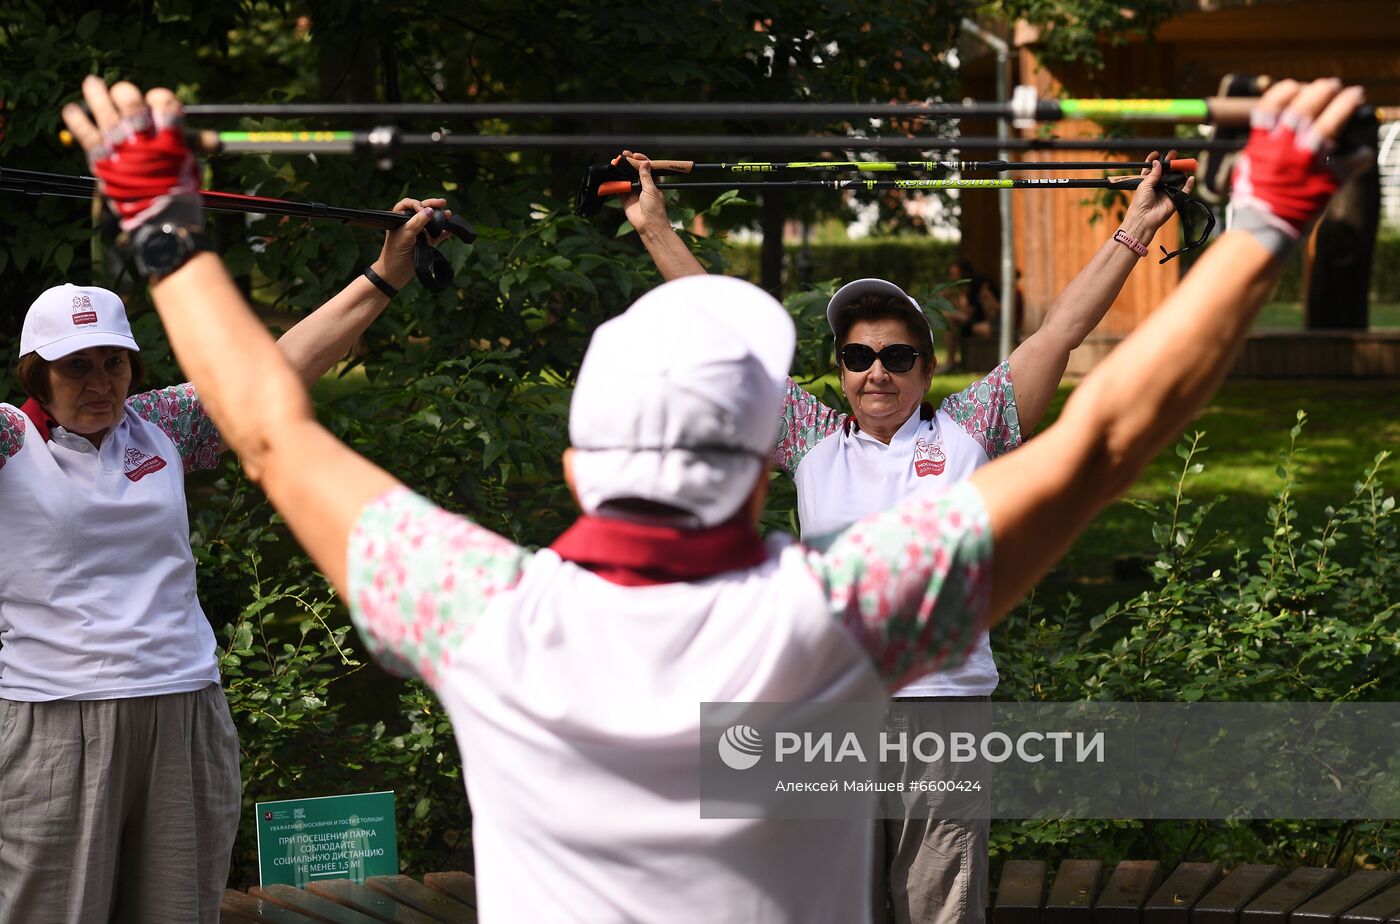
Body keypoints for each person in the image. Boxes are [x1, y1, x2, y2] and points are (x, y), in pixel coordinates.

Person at [61, 74, 1362, 923]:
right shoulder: (847, 612)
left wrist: (160, 228)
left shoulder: (473, 606)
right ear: (765, 464)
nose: (872, 373)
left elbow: (272, 432)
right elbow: (1112, 436)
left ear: (576, 469)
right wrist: (1267, 220)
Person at [621, 146, 1191, 923]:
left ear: (926, 368)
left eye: (895, 356)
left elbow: (1060, 330)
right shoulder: (808, 436)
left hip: (942, 707)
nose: (875, 372)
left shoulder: (972, 426)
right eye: (857, 357)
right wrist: (654, 226)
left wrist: (1135, 228)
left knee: (937, 906)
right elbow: (723, 336)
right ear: (842, 368)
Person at [0, 183, 452, 923]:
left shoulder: (161, 426)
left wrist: (387, 272)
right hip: (58, 716)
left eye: (112, 362)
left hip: (183, 704)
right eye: (75, 365)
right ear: (37, 375)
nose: (98, 381)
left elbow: (279, 369)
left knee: (180, 909)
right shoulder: (12, 440)